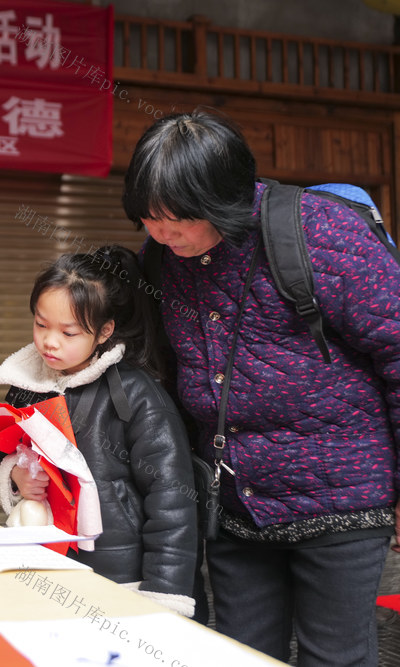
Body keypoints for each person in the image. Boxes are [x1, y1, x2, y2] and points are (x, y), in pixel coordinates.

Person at [121, 108, 400, 666]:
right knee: (240, 655)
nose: (161, 232)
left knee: (335, 657)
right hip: (235, 502)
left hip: (338, 496)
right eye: (149, 217)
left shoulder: (322, 234)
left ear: (225, 199)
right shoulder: (163, 257)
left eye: (177, 218)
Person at [0, 246, 198, 617]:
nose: (50, 342)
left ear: (104, 332)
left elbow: (172, 501)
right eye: (40, 324)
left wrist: (164, 596)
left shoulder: (137, 397)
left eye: (68, 332)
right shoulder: (24, 384)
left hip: (119, 575)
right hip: (43, 560)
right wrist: (15, 473)